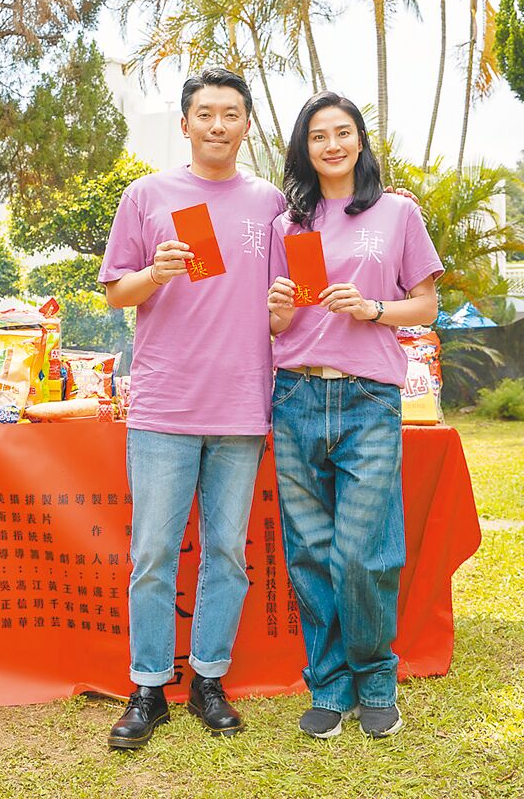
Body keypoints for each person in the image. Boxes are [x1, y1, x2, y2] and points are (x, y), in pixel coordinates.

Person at [99, 67, 285, 749]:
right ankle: (148, 686)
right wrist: (158, 273)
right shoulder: (147, 196)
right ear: (185, 124)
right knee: (152, 552)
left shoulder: (269, 204)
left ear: (245, 125)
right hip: (163, 406)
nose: (216, 124)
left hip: (240, 405)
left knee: (227, 555)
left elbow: (297, 279)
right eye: (204, 113)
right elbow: (117, 291)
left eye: (230, 113)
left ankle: (209, 677)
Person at [267, 91, 443, 740]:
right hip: (295, 395)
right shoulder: (290, 223)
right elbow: (272, 323)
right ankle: (330, 684)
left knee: (364, 553)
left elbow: (425, 306)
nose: (332, 145)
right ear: (304, 148)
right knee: (310, 551)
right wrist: (277, 308)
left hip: (368, 399)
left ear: (360, 142)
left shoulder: (395, 213)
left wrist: (371, 308)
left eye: (343, 133)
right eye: (318, 136)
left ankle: (375, 678)